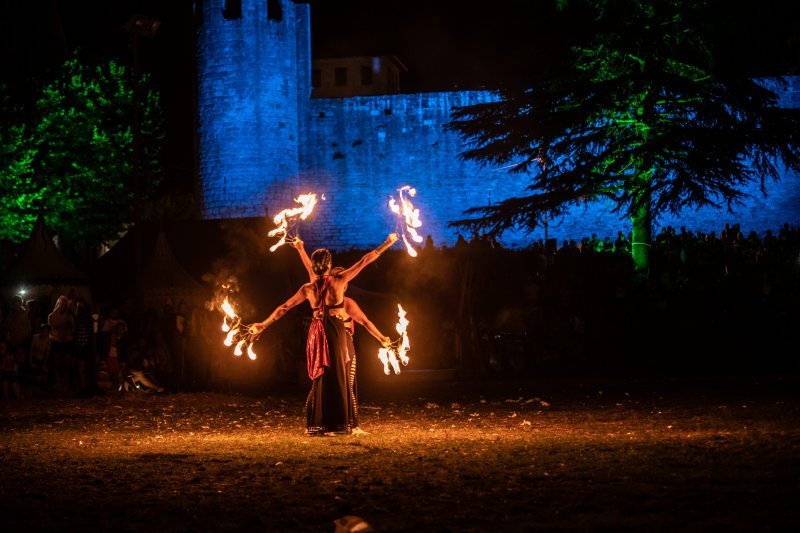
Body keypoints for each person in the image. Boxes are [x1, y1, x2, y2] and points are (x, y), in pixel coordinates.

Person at [251, 233, 398, 436]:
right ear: (329, 266)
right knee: (336, 376)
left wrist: (263, 324)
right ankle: (337, 424)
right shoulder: (338, 281)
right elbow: (365, 261)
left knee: (322, 375)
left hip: (315, 330)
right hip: (334, 330)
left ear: (314, 266)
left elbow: (284, 307)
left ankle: (323, 423)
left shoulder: (308, 287)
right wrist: (387, 244)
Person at [289, 237, 393, 433]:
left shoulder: (337, 296)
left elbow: (365, 322)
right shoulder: (337, 295)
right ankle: (345, 424)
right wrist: (386, 243)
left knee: (337, 383)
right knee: (334, 383)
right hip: (333, 345)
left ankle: (333, 422)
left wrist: (300, 248)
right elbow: (364, 261)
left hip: (339, 344)